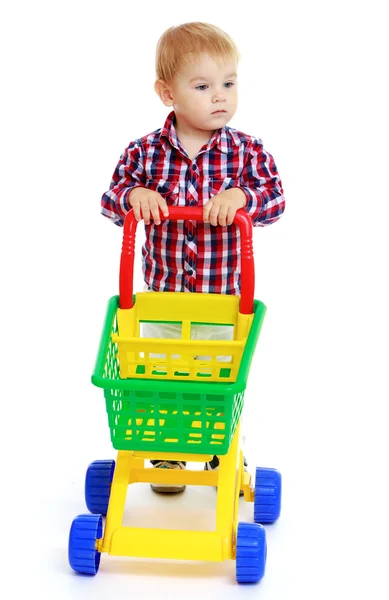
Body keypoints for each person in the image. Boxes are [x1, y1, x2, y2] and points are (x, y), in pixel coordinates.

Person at [101, 22, 285, 493]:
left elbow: (275, 200)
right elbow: (111, 199)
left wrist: (242, 196)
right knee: (160, 372)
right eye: (202, 86)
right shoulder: (144, 152)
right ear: (167, 93)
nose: (219, 96)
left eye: (229, 82)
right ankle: (166, 453)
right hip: (163, 298)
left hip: (221, 301)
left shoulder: (246, 152)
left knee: (212, 375)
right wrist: (135, 195)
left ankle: (214, 445)